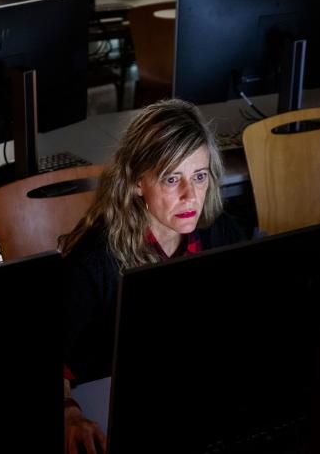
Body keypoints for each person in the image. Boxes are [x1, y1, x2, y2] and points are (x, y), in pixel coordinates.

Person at [59, 99, 246, 454]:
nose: (191, 195)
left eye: (200, 176)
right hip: (112, 399)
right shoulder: (94, 260)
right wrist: (68, 413)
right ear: (135, 183)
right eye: (172, 178)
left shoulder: (216, 230)